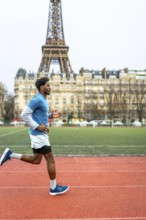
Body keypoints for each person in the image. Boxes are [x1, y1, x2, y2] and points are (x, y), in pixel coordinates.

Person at [0, 77, 69, 196]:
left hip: (37, 135)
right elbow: (24, 114)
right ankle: (53, 188)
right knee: (50, 160)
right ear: (41, 87)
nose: (49, 87)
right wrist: (37, 126)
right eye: (47, 85)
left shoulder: (42, 99)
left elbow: (40, 115)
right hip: (39, 135)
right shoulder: (37, 99)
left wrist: (52, 115)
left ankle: (10, 154)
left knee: (36, 160)